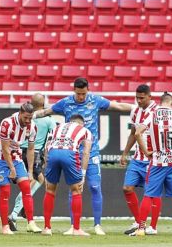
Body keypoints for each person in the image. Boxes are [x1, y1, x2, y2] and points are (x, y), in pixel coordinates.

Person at [34, 77, 134, 236]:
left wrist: (138, 108)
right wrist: (30, 115)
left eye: (84, 94)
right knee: (73, 189)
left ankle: (97, 225)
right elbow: (47, 111)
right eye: (79, 94)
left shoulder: (95, 100)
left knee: (94, 186)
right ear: (74, 90)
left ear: (88, 90)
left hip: (91, 151)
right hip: (71, 151)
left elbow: (118, 105)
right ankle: (74, 225)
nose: (81, 97)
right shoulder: (65, 103)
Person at [133, 92, 172, 239]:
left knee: (149, 195)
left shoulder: (152, 114)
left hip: (157, 162)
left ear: (160, 102)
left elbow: (137, 133)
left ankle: (141, 228)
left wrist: (145, 151)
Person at [7, 93, 57, 232]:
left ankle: (22, 209)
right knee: (33, 182)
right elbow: (51, 139)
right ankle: (15, 213)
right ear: (43, 104)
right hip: (33, 153)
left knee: (39, 180)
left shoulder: (24, 117)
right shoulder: (48, 120)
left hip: (17, 150)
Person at [0, 102, 42, 235]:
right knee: (5, 191)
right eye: (25, 117)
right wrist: (11, 169)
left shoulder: (32, 127)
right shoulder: (7, 124)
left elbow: (31, 149)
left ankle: (30, 223)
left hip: (17, 157)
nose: (27, 121)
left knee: (27, 187)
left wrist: (30, 171)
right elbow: (4, 148)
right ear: (20, 113)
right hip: (1, 158)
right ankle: (5, 227)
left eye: (30, 118)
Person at [41, 114, 93, 236]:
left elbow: (46, 148)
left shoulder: (57, 127)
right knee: (76, 190)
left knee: (50, 190)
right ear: (81, 123)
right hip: (69, 153)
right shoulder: (85, 130)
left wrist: (46, 165)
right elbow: (86, 152)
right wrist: (83, 174)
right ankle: (76, 229)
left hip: (53, 153)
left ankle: (47, 228)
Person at [120, 85, 161, 236]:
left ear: (150, 96)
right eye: (137, 97)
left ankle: (153, 226)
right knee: (127, 188)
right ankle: (139, 222)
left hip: (152, 158)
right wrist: (125, 152)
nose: (139, 100)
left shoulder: (157, 111)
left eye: (142, 98)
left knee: (153, 192)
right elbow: (133, 133)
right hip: (137, 158)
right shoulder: (135, 111)